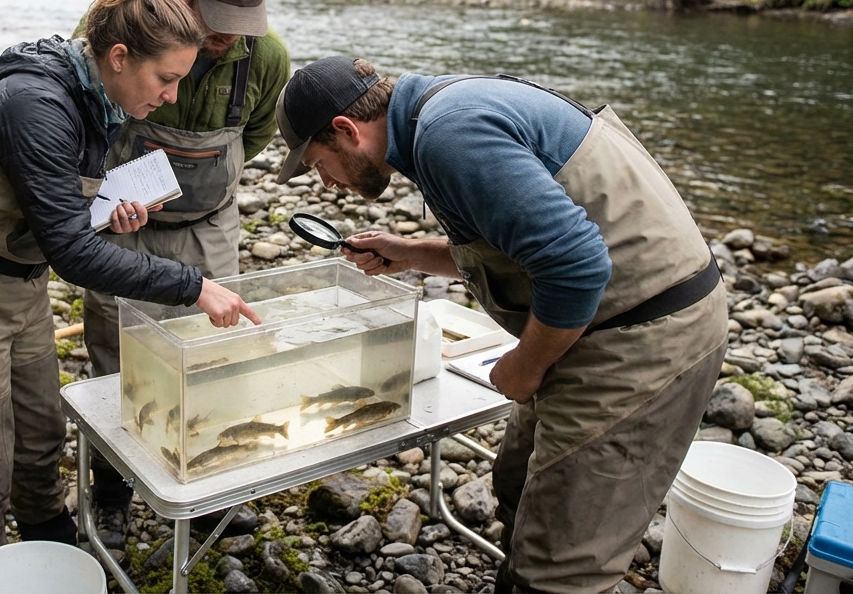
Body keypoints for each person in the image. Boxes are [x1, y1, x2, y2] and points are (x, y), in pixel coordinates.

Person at [273, 57, 727, 593]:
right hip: (586, 325)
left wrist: (524, 367)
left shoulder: (450, 134)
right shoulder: (434, 116)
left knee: (561, 562)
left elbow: (577, 265)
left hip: (644, 339)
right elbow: (520, 241)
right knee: (514, 481)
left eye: (318, 163)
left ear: (347, 130)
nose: (326, 184)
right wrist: (412, 253)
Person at [0, 0, 261, 571]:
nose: (170, 99)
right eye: (165, 80)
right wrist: (194, 287)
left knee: (40, 439)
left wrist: (105, 208)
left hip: (19, 286)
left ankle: (49, 541)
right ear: (120, 58)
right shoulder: (37, 105)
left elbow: (56, 210)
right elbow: (70, 254)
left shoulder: (99, 98)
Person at [80, 0, 291, 541]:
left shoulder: (267, 58)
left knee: (212, 352)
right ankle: (113, 492)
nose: (226, 33)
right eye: (216, 16)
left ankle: (199, 487)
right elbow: (85, 122)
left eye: (240, 20)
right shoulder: (132, 30)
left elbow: (251, 138)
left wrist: (204, 181)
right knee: (117, 353)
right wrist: (107, 201)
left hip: (208, 222)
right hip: (125, 218)